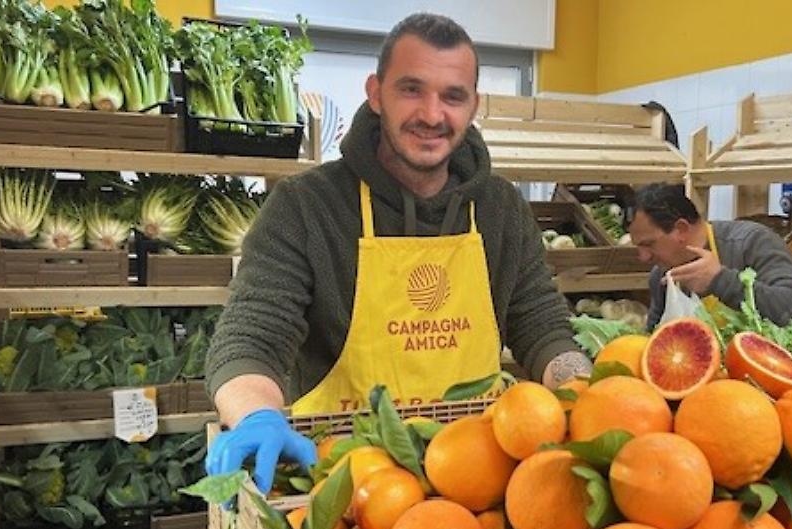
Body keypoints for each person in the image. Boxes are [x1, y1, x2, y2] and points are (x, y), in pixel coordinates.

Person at [203, 13, 591, 493]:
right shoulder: (306, 207)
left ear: (474, 105)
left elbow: (542, 326)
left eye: (453, 96)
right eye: (411, 89)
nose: (432, 114)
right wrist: (256, 416)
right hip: (346, 482)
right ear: (375, 92)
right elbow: (250, 338)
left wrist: (584, 392)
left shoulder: (500, 207)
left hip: (479, 479)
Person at [628, 183, 792, 345]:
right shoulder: (661, 277)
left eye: (649, 244)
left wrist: (721, 281)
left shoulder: (752, 242)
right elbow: (655, 338)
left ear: (681, 229)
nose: (643, 257)